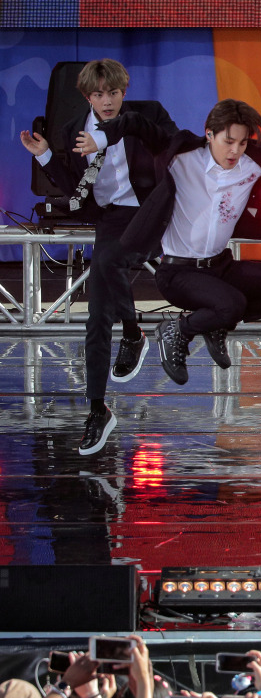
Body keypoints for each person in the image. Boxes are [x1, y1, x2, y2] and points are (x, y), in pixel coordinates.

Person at [87, 99, 261, 385]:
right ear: (209, 134)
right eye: (228, 142)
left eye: (242, 143)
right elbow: (137, 123)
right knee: (231, 304)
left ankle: (216, 323)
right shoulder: (181, 156)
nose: (235, 151)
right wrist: (101, 137)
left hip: (220, 267)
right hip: (178, 273)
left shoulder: (251, 163)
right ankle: (178, 330)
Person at [19, 59, 178, 455]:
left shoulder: (148, 114)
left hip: (150, 210)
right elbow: (75, 186)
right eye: (97, 94)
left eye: (112, 93)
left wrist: (112, 136)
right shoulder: (73, 131)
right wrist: (44, 158)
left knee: (105, 266)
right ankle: (97, 408)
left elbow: (172, 146)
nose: (106, 101)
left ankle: (131, 332)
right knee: (96, 311)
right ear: (87, 97)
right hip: (112, 216)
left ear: (124, 90)